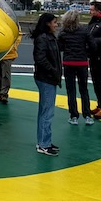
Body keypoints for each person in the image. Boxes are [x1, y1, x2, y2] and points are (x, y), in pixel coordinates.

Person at [31, 12, 62, 155]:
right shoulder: (45, 39)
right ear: (48, 23)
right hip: (47, 78)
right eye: (55, 22)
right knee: (47, 112)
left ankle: (44, 141)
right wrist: (53, 71)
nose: (56, 25)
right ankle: (44, 143)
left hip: (46, 77)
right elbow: (40, 58)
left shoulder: (47, 38)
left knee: (44, 111)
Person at [58, 9, 93, 125]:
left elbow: (59, 47)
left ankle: (74, 116)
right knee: (84, 90)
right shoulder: (84, 31)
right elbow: (92, 45)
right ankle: (87, 115)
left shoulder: (63, 32)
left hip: (68, 63)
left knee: (71, 90)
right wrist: (86, 53)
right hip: (82, 63)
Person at [0, 29, 21, 104]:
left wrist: (12, 47)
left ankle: (4, 94)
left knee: (5, 74)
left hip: (7, 54)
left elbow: (18, 35)